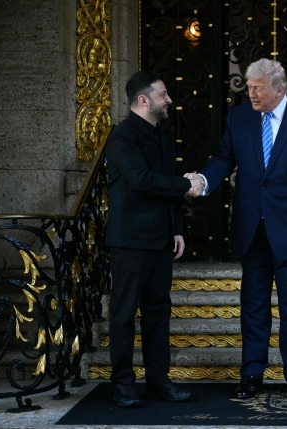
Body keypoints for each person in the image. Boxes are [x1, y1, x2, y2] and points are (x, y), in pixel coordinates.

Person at [186, 58, 287, 400]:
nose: (251, 94)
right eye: (249, 87)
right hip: (251, 229)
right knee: (253, 307)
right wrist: (204, 180)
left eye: (258, 88)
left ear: (279, 90)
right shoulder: (239, 117)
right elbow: (224, 159)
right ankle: (252, 374)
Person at [105, 70, 204, 408]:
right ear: (143, 100)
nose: (169, 100)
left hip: (161, 239)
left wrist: (176, 228)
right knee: (123, 315)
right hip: (129, 240)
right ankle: (122, 384)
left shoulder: (162, 140)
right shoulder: (121, 137)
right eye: (163, 94)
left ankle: (158, 382)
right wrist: (186, 183)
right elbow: (142, 181)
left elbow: (165, 191)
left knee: (158, 313)